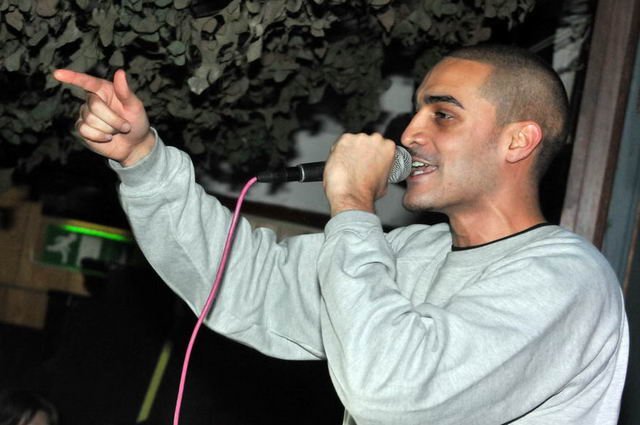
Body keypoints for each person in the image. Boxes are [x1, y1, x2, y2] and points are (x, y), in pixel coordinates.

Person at [53, 44, 628, 425]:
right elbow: (245, 280)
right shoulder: (406, 253)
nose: (410, 132)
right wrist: (143, 161)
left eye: (443, 114)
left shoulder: (565, 279)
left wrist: (352, 203)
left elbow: (392, 391)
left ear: (518, 141)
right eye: (415, 111)